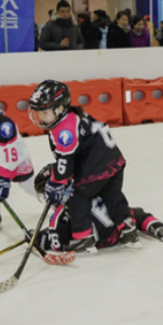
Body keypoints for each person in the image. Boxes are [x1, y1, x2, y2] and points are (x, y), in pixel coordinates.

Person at [28, 80, 137, 254]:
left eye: (45, 112)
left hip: (97, 166)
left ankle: (83, 237)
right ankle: (127, 227)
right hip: (115, 162)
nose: (41, 117)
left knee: (76, 195)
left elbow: (66, 163)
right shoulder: (74, 116)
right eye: (39, 112)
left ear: (60, 108)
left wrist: (55, 184)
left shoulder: (64, 130)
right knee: (112, 194)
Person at [33, 165, 163, 252]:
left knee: (60, 231)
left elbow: (57, 243)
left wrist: (38, 238)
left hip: (99, 242)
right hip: (119, 230)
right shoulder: (93, 188)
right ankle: (160, 229)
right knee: (137, 214)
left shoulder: (59, 216)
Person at [0, 95, 35, 236]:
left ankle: (60, 204)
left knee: (30, 186)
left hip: (14, 156)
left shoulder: (2, 126)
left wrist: (3, 181)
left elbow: (7, 157)